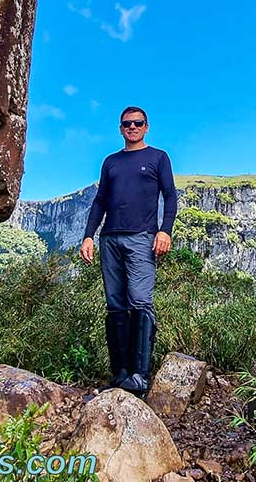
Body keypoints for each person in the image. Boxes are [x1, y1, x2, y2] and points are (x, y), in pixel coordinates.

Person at [79, 106, 177, 398]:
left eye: (138, 123)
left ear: (147, 127)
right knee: (115, 306)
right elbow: (100, 201)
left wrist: (165, 230)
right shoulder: (110, 162)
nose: (132, 127)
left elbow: (170, 196)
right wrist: (88, 236)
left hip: (141, 238)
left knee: (140, 302)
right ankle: (120, 374)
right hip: (110, 238)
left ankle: (140, 376)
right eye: (127, 124)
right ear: (120, 128)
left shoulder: (158, 158)